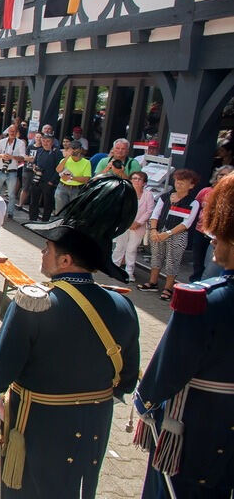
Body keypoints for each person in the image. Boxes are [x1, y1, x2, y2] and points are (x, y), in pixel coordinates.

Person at [0, 175, 140, 498]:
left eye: (47, 248)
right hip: (93, 428)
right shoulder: (125, 307)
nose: (41, 253)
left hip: (37, 427)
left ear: (65, 260)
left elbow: (0, 367)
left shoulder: (34, 302)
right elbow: (127, 381)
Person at [132, 172, 234, 499]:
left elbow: (166, 373)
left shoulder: (203, 300)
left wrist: (143, 401)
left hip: (194, 430)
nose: (212, 238)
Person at [137, 169, 201, 301]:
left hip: (177, 235)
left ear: (191, 185)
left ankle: (168, 288)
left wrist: (168, 233)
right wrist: (154, 230)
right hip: (159, 231)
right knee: (156, 257)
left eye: (183, 182)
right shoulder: (165, 197)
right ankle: (153, 282)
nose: (179, 184)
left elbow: (186, 223)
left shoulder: (193, 203)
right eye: (177, 181)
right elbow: (155, 214)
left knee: (173, 261)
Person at [110, 171, 154, 284]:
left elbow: (149, 211)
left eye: (139, 179)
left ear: (144, 183)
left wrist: (138, 222)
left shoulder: (148, 194)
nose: (136, 181)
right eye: (134, 178)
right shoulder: (125, 191)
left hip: (138, 227)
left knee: (131, 249)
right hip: (124, 224)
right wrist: (128, 222)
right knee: (120, 246)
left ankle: (129, 272)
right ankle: (114, 268)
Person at [0, 126, 27, 219]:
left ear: (17, 132)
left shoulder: (20, 143)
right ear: (8, 132)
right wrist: (3, 156)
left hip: (12, 171)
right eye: (10, 131)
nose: (12, 133)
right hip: (0, 169)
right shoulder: (2, 141)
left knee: (11, 194)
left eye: (14, 131)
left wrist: (12, 157)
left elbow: (22, 158)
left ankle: (10, 213)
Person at [28, 133, 61, 222]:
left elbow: (59, 169)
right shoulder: (39, 150)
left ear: (52, 142)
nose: (45, 143)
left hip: (49, 181)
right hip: (37, 179)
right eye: (43, 141)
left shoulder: (57, 152)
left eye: (48, 141)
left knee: (47, 203)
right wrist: (34, 167)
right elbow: (35, 162)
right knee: (33, 201)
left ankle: (45, 220)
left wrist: (52, 181)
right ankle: (32, 219)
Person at [54, 141, 92, 214]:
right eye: (72, 149)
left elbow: (86, 179)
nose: (74, 151)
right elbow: (58, 170)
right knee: (60, 212)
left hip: (77, 189)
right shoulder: (64, 160)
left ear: (80, 150)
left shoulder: (86, 162)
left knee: (74, 212)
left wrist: (71, 178)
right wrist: (67, 156)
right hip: (62, 188)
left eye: (76, 149)